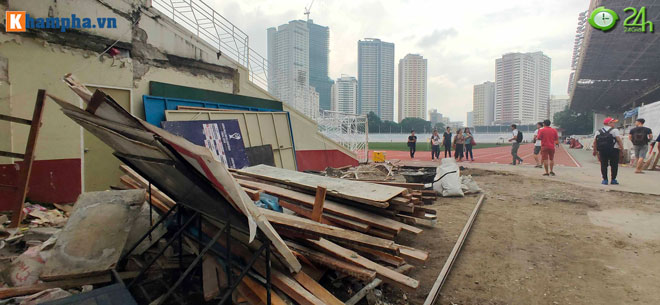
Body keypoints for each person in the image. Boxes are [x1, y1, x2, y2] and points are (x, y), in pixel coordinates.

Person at [592, 117, 624, 185]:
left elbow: (595, 142)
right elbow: (618, 140)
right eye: (613, 122)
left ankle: (605, 180)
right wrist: (622, 149)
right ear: (609, 123)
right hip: (614, 149)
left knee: (603, 165)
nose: (614, 124)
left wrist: (595, 150)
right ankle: (613, 179)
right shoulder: (615, 130)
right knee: (614, 165)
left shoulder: (598, 131)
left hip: (602, 150)